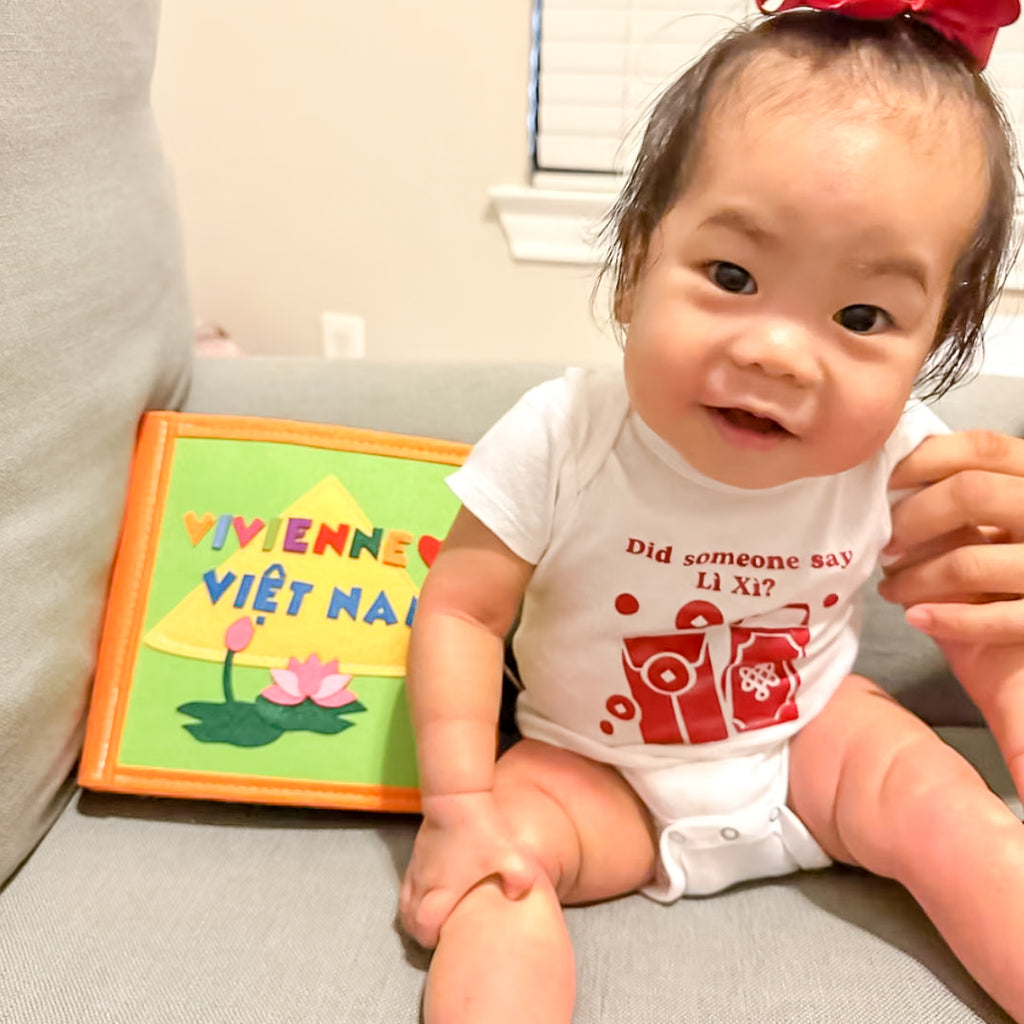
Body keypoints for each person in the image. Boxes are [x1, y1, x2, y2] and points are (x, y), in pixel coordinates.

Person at [399, 3, 1024, 1021]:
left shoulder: (910, 455)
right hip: (594, 771)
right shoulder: (562, 435)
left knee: (957, 816)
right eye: (732, 276)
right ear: (635, 265)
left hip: (815, 746)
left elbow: (984, 624)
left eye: (862, 316)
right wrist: (460, 804)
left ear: (932, 342)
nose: (778, 352)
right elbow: (464, 612)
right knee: (495, 875)